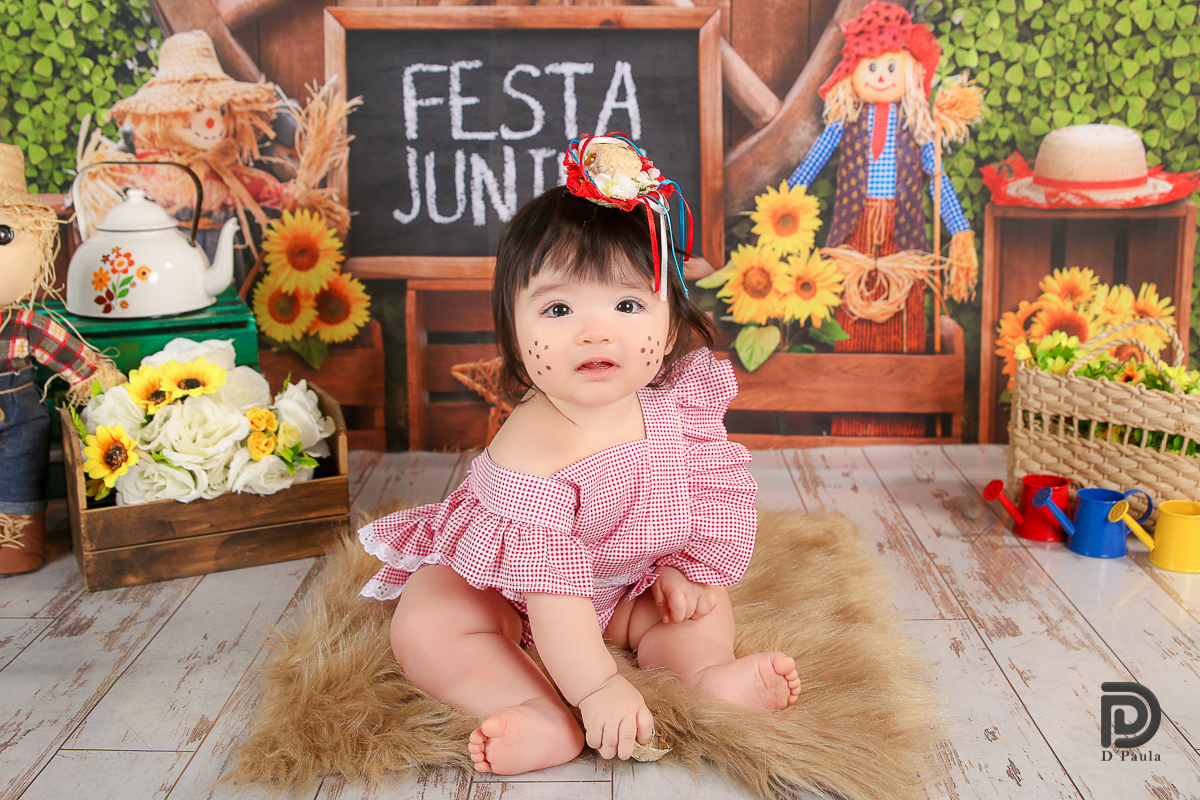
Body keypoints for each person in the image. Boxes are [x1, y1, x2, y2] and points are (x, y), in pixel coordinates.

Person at [359, 137, 801, 776]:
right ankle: (535, 710)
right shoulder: (531, 452)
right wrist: (597, 689)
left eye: (628, 305)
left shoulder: (673, 410)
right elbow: (553, 597)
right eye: (559, 308)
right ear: (514, 334)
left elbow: (683, 508)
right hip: (507, 594)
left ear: (668, 327)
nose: (596, 332)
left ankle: (707, 676)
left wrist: (680, 571)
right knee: (429, 622)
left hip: (617, 585)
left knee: (699, 604)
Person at [0, 144, 121, 574]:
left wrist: (111, 391)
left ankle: (17, 536)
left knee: (19, 473)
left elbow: (79, 363)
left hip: (15, 424)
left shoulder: (23, 322)